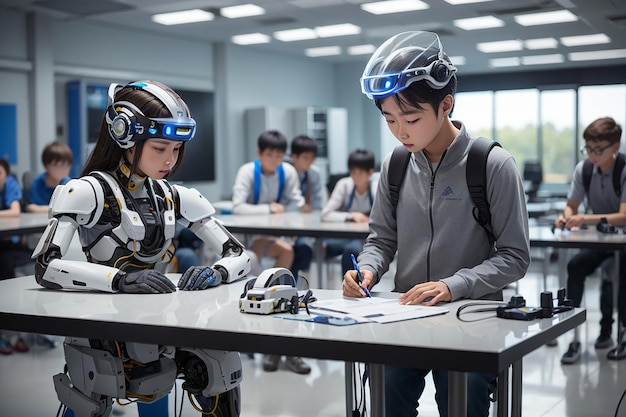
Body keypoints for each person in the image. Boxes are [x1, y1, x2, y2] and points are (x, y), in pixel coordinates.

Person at [31, 80, 251, 417]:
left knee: (220, 363)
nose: (170, 159)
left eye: (175, 149)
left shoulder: (172, 195)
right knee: (90, 400)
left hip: (156, 325)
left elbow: (238, 254)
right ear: (124, 137)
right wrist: (119, 280)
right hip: (104, 328)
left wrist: (215, 272)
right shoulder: (88, 192)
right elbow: (47, 265)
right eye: (159, 148)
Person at [344, 31, 530, 417]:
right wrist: (366, 269)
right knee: (383, 388)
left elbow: (515, 256)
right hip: (406, 312)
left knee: (462, 396)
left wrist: (453, 285)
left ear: (446, 104)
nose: (400, 132)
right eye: (390, 119)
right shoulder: (395, 165)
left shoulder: (492, 165)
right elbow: (381, 238)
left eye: (411, 118)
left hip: (471, 318)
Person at [231, 129, 312, 375]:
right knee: (285, 271)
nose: (275, 160)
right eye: (270, 155)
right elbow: (238, 207)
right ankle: (281, 304)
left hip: (283, 235)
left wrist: (284, 211)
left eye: (279, 155)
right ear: (259, 154)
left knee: (298, 254)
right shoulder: (247, 171)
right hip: (253, 240)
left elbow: (296, 203)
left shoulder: (287, 172)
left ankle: (279, 334)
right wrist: (269, 208)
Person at [555, 117, 626, 364]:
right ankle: (572, 336)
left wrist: (586, 217)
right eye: (588, 149)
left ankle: (618, 333)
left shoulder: (624, 169)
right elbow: (570, 206)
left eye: (599, 150)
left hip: (623, 242)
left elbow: (624, 215)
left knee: (618, 273)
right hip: (599, 242)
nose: (592, 155)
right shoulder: (584, 169)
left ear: (615, 147)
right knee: (575, 266)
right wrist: (566, 218)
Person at [322, 148, 377, 274]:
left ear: (370, 172)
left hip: (367, 237)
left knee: (351, 250)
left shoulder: (376, 186)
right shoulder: (344, 185)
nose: (356, 176)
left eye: (360, 172)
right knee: (315, 247)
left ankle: (350, 288)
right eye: (353, 172)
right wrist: (350, 216)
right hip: (344, 235)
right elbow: (326, 214)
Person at [0, 158, 32, 355]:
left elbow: (15, 211)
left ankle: (10, 333)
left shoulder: (10, 185)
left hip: (7, 245)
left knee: (6, 265)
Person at [24, 141, 73, 213]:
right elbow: (31, 208)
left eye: (67, 165)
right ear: (46, 165)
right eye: (58, 165)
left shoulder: (70, 184)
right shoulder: (37, 184)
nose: (64, 169)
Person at [289, 134, 326, 213]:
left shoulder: (315, 173)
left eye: (312, 157)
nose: (310, 161)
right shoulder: (286, 173)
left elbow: (318, 202)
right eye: (306, 157)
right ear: (294, 157)